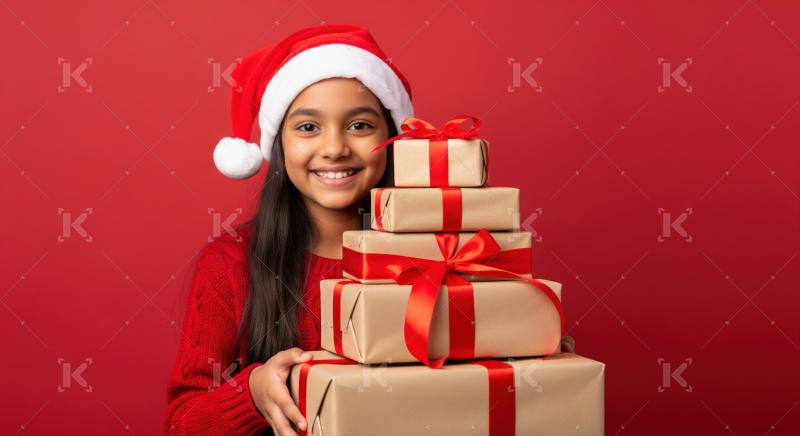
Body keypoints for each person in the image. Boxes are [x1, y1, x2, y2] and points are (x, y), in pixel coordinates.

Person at [162, 24, 414, 436]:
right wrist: (252, 394)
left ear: (391, 136)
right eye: (308, 127)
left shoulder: (436, 253)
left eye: (359, 125)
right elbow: (181, 425)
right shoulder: (230, 264)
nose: (334, 148)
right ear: (278, 143)